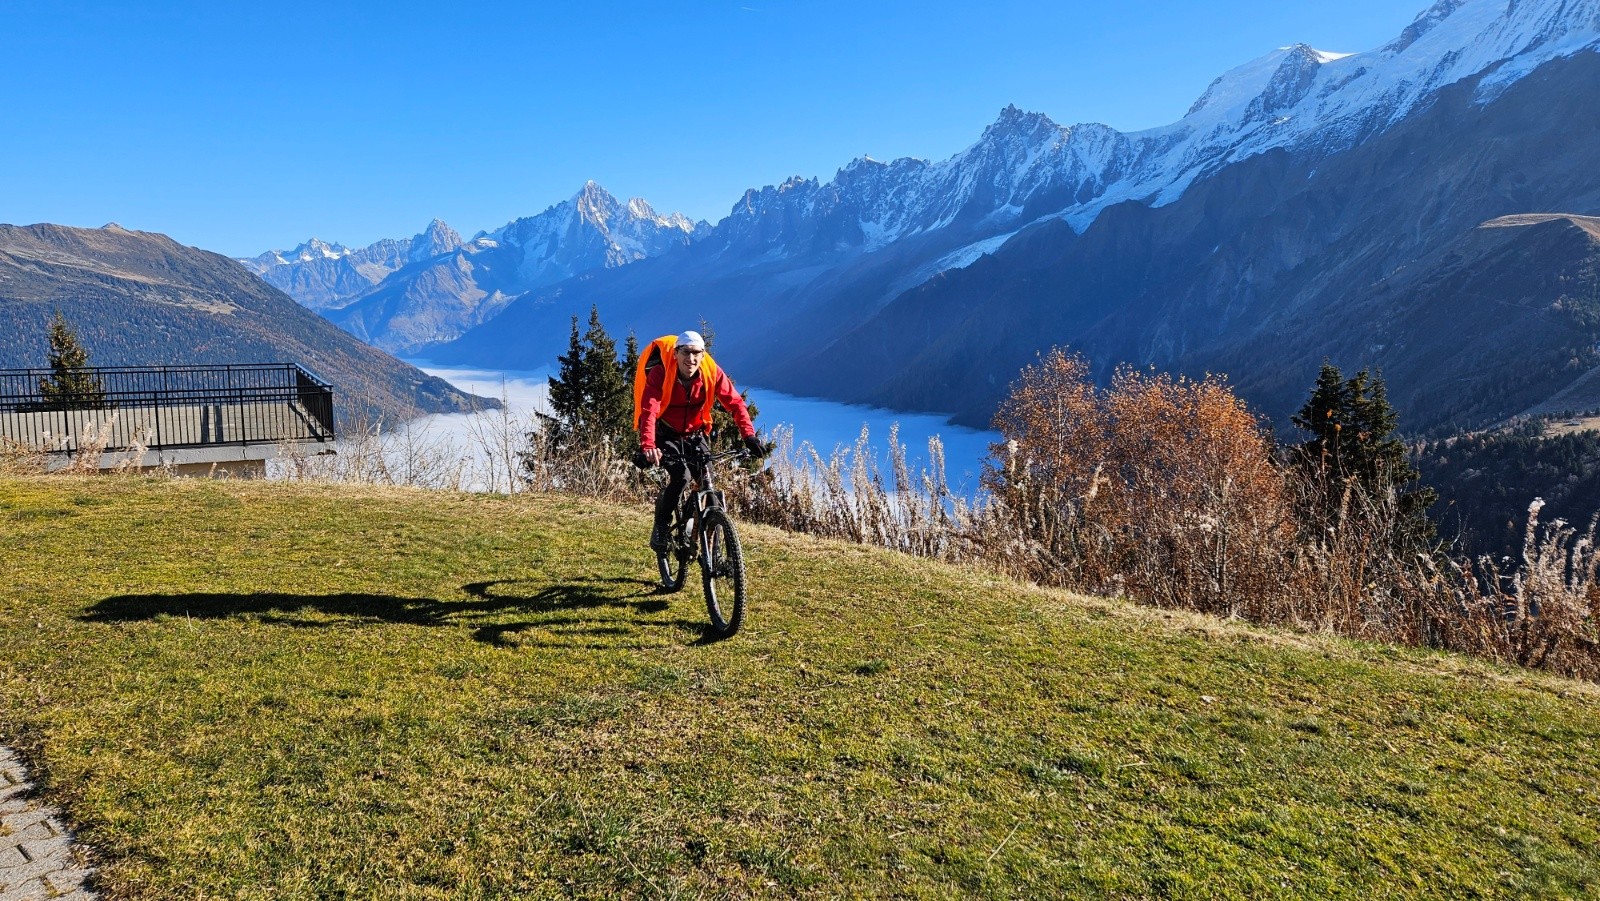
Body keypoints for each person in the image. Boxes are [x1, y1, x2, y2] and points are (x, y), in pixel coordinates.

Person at [634, 330, 763, 554]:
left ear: (703, 355)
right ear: (676, 354)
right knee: (681, 478)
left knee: (707, 482)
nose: (690, 359)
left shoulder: (711, 372)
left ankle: (708, 544)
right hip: (667, 434)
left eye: (696, 353)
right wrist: (648, 445)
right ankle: (661, 527)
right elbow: (649, 409)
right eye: (685, 352)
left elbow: (735, 403)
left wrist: (748, 436)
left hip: (696, 434)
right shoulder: (660, 372)